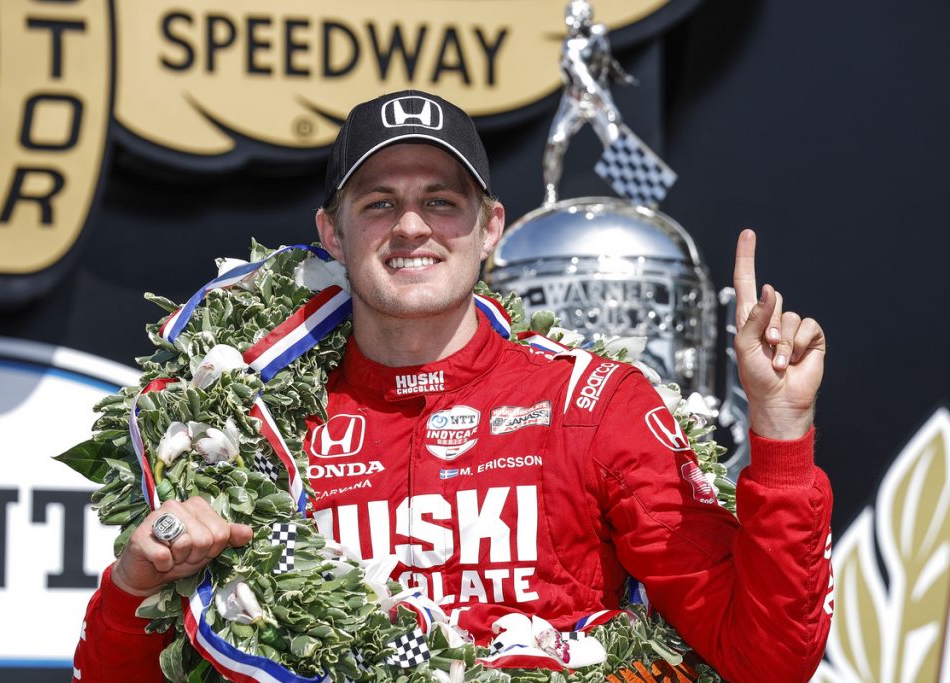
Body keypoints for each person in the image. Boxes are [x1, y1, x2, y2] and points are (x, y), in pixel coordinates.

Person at [73, 90, 832, 682]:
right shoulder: (249, 433)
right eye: (378, 202)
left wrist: (781, 435)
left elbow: (766, 659)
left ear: (490, 227)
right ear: (331, 232)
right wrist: (139, 583)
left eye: (442, 200)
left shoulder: (595, 405)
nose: (412, 226)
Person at [543, 0, 639, 205]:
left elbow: (605, 59)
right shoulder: (570, 47)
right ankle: (550, 193)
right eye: (569, 15)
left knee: (615, 143)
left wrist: (620, 75)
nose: (570, 21)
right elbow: (585, 80)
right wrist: (609, 106)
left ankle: (633, 194)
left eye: (575, 15)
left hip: (597, 101)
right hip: (576, 101)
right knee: (555, 142)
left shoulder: (598, 35)